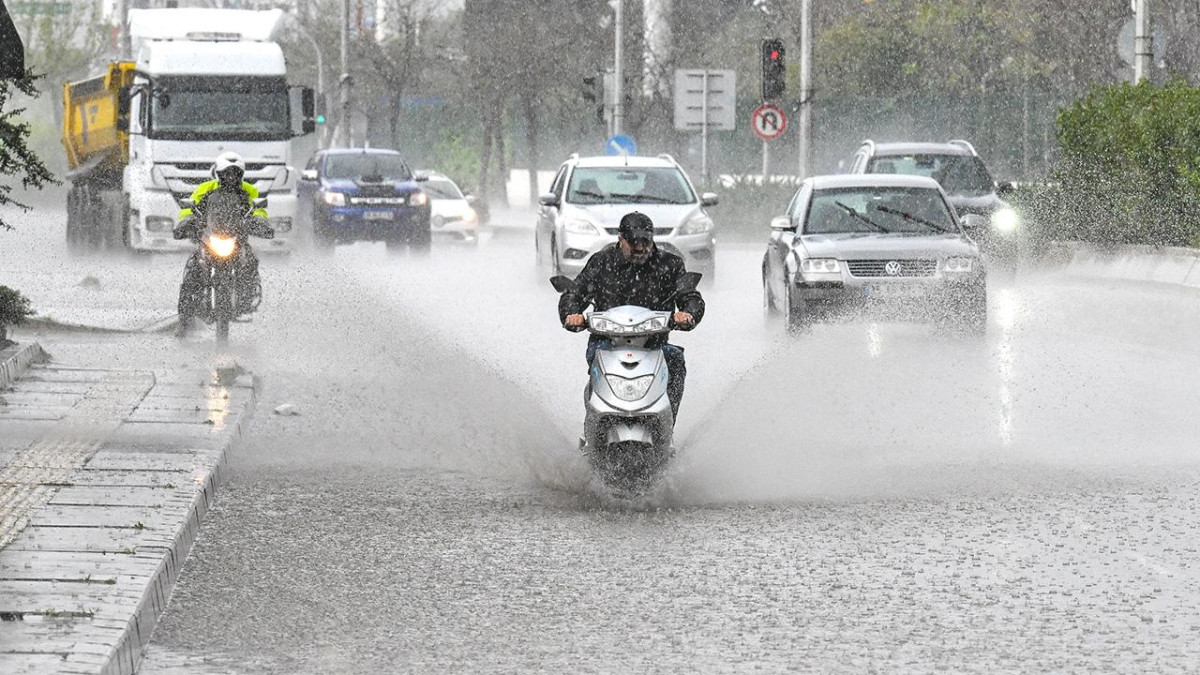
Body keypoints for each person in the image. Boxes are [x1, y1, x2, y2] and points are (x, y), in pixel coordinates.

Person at [559, 211, 704, 421]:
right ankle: (595, 421)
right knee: (597, 355)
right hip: (605, 342)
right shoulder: (601, 262)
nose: (640, 248)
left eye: (645, 242)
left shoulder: (669, 264)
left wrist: (689, 313)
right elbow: (575, 293)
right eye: (633, 242)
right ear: (620, 239)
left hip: (654, 346)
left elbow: (689, 295)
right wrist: (572, 314)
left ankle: (667, 422)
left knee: (675, 360)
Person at [173, 152, 273, 335]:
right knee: (193, 270)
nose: (231, 177)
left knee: (250, 262)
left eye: (235, 173)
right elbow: (189, 207)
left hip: (236, 239)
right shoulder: (206, 188)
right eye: (227, 173)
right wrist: (186, 222)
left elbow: (258, 210)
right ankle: (184, 319)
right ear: (218, 174)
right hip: (210, 237)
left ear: (241, 175)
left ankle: (246, 298)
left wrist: (261, 223)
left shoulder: (249, 191)